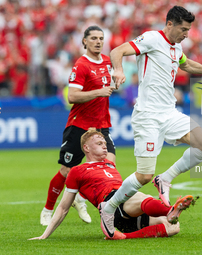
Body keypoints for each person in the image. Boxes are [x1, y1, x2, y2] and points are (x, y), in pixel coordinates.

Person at [99, 5, 202, 239]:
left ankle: (166, 178)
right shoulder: (152, 38)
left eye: (188, 30)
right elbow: (117, 50)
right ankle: (109, 207)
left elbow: (186, 65)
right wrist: (118, 71)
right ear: (170, 24)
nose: (186, 34)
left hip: (169, 113)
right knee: (143, 176)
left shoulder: (176, 46)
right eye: (183, 29)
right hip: (148, 115)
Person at [30, 128, 195, 240]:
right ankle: (170, 210)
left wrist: (103, 132)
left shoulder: (109, 164)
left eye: (104, 144)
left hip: (125, 216)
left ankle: (119, 236)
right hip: (112, 206)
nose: (104, 147)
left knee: (173, 227)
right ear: (86, 148)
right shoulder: (77, 171)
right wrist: (45, 235)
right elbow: (63, 208)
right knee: (138, 195)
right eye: (99, 144)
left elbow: (107, 141)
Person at [40, 26, 116, 226]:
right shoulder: (81, 65)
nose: (98, 42)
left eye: (101, 38)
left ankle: (101, 209)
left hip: (102, 125)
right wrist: (99, 92)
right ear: (84, 41)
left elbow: (112, 80)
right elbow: (72, 96)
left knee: (109, 165)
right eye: (93, 38)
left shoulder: (108, 61)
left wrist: (119, 79)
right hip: (80, 125)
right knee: (66, 171)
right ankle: (48, 210)